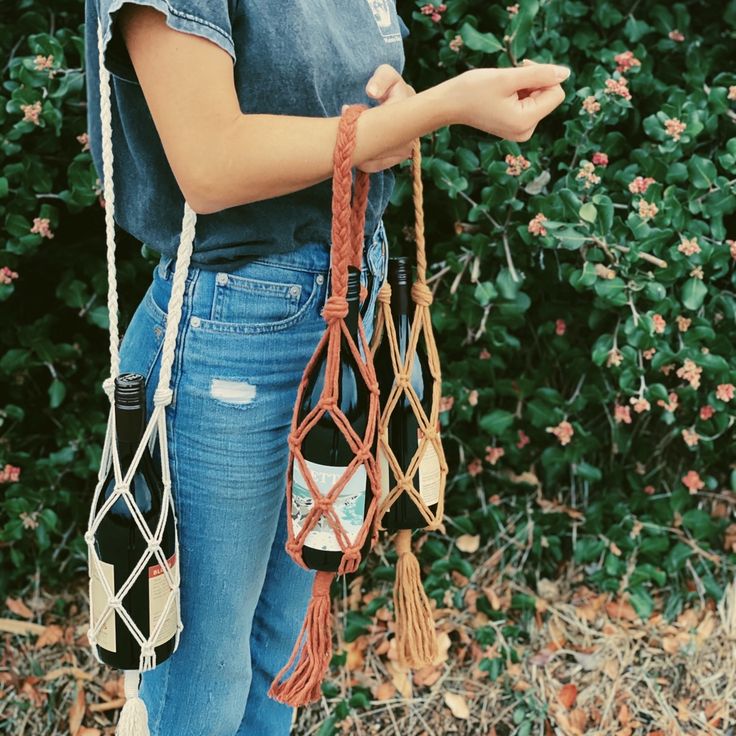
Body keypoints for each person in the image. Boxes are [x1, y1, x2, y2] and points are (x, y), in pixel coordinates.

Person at [83, 1, 570, 734]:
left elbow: (339, 108)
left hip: (344, 304)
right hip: (233, 323)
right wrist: (432, 112)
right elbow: (209, 165)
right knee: (203, 668)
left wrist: (396, 113)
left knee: (280, 646)